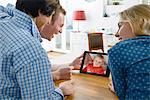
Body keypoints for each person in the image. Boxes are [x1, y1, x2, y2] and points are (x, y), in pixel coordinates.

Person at [0, 0, 74, 99]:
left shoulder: (4, 23)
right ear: (40, 12)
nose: (49, 22)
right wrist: (61, 91)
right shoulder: (31, 49)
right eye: (51, 16)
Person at [108, 4, 150, 100]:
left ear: (137, 23)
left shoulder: (119, 50)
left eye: (120, 25)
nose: (116, 33)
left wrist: (116, 88)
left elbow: (122, 94)